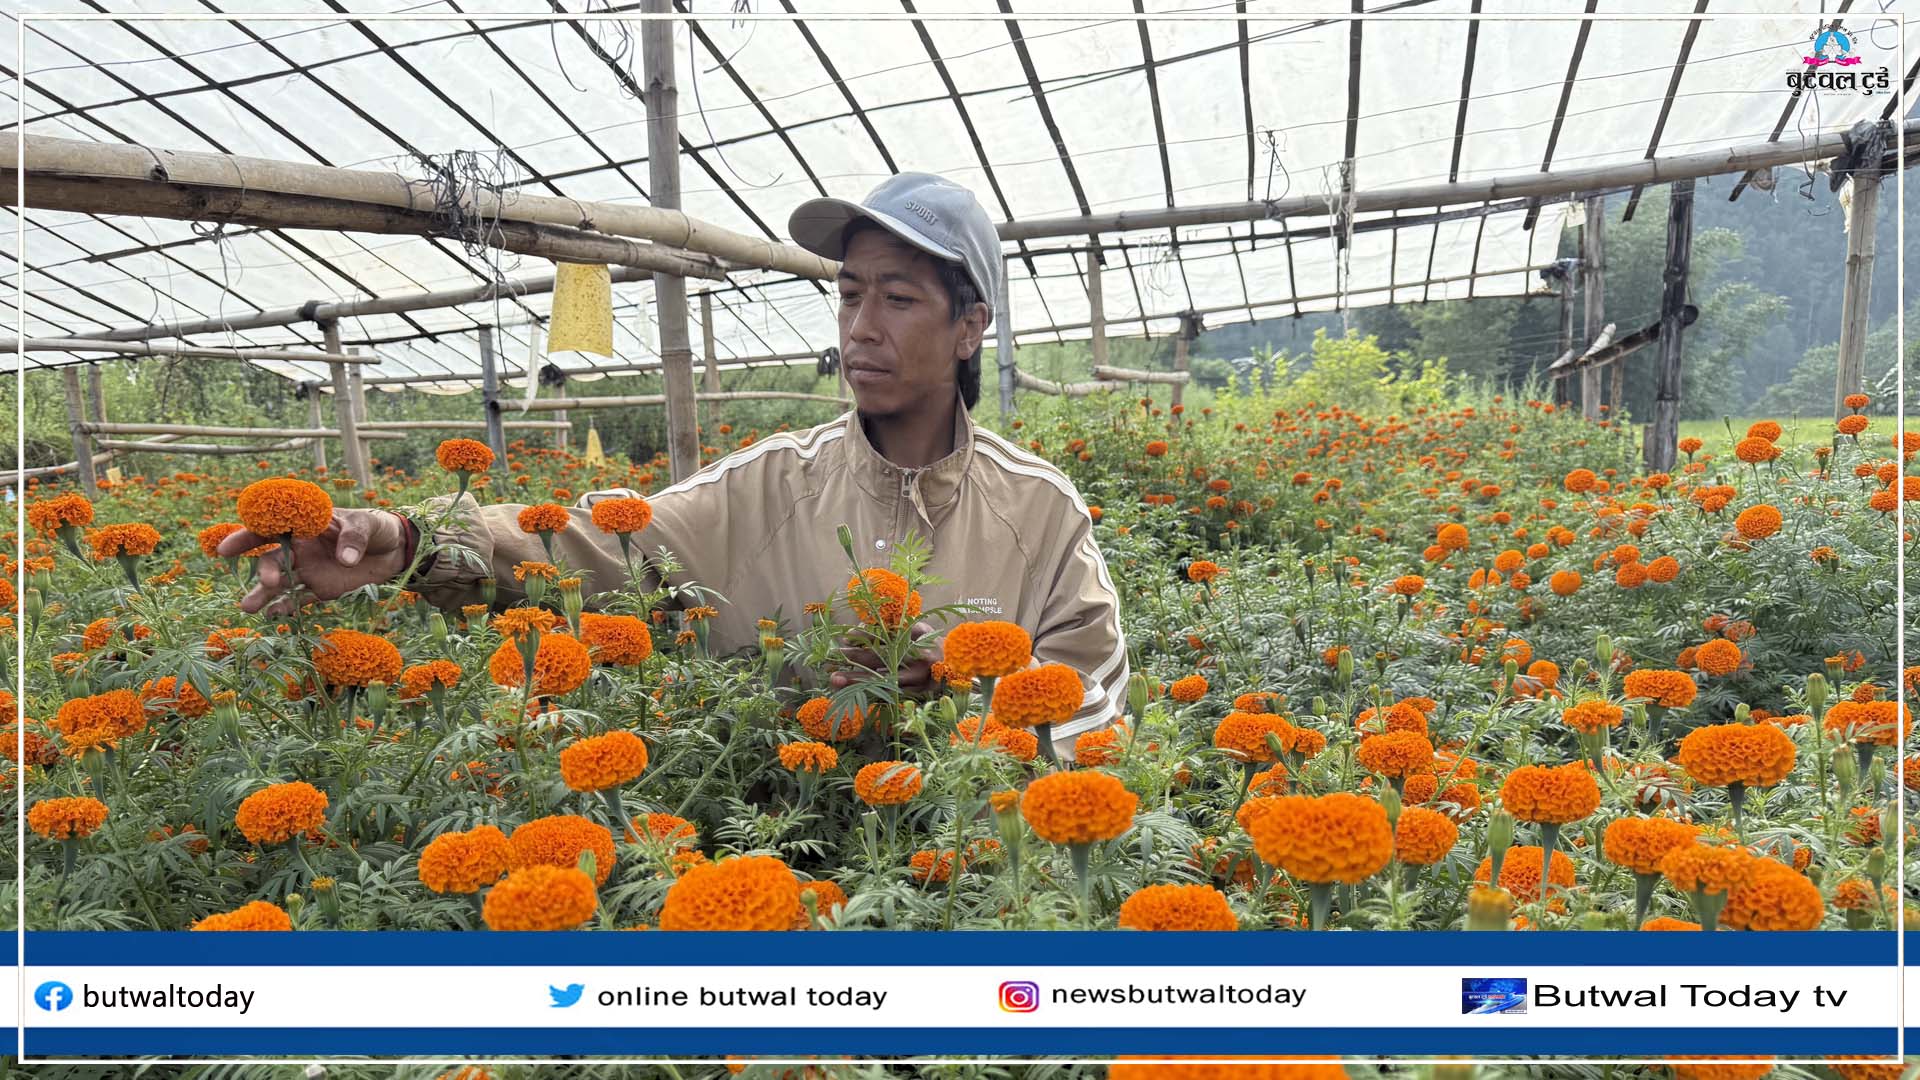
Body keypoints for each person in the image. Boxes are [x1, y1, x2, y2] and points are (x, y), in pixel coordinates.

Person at [220, 172, 1129, 757]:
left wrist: (962, 703)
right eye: (849, 294)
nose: (860, 328)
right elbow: (597, 545)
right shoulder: (769, 484)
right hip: (768, 864)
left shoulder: (1041, 513)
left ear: (971, 327)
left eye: (897, 298)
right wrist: (415, 542)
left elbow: (1095, 700)